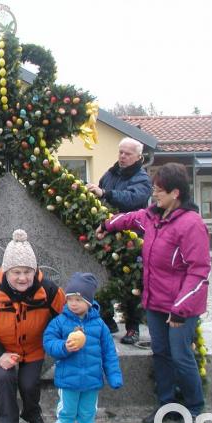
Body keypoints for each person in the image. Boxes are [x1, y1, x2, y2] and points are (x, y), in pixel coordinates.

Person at [96, 162, 211, 423]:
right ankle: (166, 403)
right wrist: (106, 224)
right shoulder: (153, 217)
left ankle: (194, 407)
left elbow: (199, 271)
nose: (154, 194)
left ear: (175, 193)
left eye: (159, 190)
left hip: (180, 307)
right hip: (156, 302)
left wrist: (180, 309)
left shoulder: (190, 224)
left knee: (181, 356)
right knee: (160, 354)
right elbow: (131, 218)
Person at [0, 229, 66, 423]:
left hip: (33, 349)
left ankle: (32, 414)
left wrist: (63, 339)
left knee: (29, 384)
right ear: (6, 271)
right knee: (4, 380)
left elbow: (66, 317)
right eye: (16, 272)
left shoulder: (49, 291)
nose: (22, 278)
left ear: (34, 271)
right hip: (3, 349)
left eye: (27, 272)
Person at [43, 273, 123, 423]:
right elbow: (48, 342)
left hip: (91, 380)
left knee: (88, 412)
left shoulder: (99, 325)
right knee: (66, 411)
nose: (73, 303)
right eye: (70, 299)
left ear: (88, 302)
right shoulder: (60, 321)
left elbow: (109, 352)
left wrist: (114, 376)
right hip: (68, 379)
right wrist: (64, 347)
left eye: (78, 299)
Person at [86, 137, 152, 344]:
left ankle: (133, 328)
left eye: (127, 153)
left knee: (130, 284)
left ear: (138, 157)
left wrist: (105, 193)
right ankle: (108, 320)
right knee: (103, 277)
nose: (122, 156)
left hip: (131, 238)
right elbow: (102, 193)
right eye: (120, 152)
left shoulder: (142, 178)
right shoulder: (111, 172)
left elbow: (133, 199)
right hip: (108, 235)